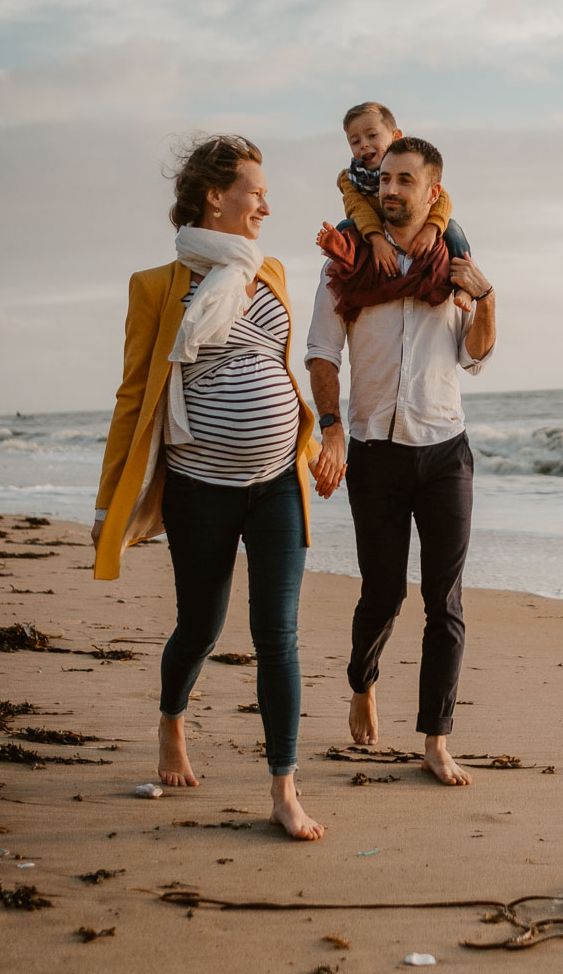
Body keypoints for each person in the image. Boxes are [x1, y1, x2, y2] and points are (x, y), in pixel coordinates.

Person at [92, 134, 326, 839]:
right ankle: (172, 718)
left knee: (276, 634)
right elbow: (135, 395)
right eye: (254, 190)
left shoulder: (274, 271)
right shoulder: (157, 287)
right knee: (201, 626)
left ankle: (284, 788)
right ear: (213, 197)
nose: (266, 203)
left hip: (278, 480)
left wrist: (322, 437)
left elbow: (285, 363)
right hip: (200, 486)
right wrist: (110, 502)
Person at [305, 136, 497, 786]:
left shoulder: (456, 265)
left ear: (431, 192)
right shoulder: (349, 262)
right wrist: (331, 427)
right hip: (375, 453)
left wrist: (488, 298)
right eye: (383, 179)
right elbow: (323, 353)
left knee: (444, 602)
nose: (389, 189)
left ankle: (436, 740)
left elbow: (474, 356)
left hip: (446, 452)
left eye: (404, 180)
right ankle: (363, 682)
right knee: (382, 594)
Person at [321, 101, 473, 307]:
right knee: (345, 228)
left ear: (395, 137)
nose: (364, 144)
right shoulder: (350, 178)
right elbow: (359, 209)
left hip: (414, 225)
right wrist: (377, 239)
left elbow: (443, 199)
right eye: (355, 141)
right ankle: (346, 266)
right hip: (373, 228)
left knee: (453, 228)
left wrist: (432, 228)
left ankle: (463, 288)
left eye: (372, 136)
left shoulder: (416, 168)